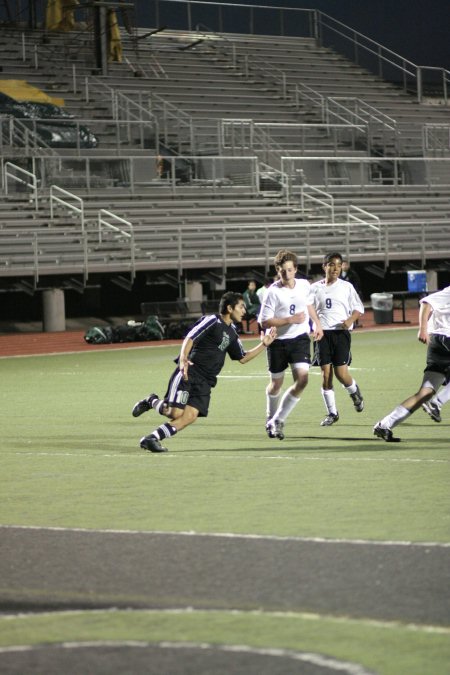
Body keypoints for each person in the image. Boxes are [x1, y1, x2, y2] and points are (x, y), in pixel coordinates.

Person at [132, 291, 277, 452]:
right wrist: (182, 359)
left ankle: (151, 439)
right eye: (241, 307)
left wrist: (264, 344)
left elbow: (242, 357)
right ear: (230, 308)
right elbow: (190, 337)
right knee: (174, 413)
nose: (244, 311)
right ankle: (151, 400)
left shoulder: (232, 332)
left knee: (190, 416)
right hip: (190, 373)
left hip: (206, 382)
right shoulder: (212, 321)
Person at [258, 249, 323, 440]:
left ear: (295, 269)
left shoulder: (304, 285)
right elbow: (264, 321)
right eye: (282, 270)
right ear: (277, 270)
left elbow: (309, 304)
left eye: (290, 270)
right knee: (275, 385)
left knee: (303, 379)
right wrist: (289, 319)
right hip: (277, 342)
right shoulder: (272, 292)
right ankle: (270, 417)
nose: (287, 274)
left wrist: (317, 324)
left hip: (300, 340)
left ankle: (278, 420)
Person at [374, 285, 450, 442]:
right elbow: (426, 302)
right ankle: (436, 402)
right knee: (430, 397)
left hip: (438, 343)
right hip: (444, 337)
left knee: (425, 392)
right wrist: (422, 329)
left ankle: (384, 424)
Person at [311, 252, 365, 426]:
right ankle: (332, 413)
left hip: (340, 334)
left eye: (338, 265)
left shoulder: (346, 287)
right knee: (325, 375)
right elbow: (308, 310)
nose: (335, 268)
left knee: (341, 374)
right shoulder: (314, 288)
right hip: (322, 335)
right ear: (324, 266)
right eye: (331, 265)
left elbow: (358, 308)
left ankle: (354, 392)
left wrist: (349, 320)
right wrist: (314, 325)